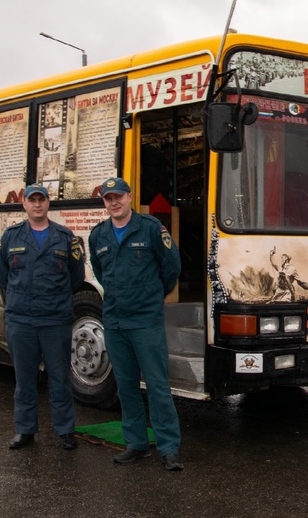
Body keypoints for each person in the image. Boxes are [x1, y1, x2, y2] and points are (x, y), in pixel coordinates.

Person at [88, 176, 183, 471]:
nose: (114, 202)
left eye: (118, 196)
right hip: (115, 320)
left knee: (157, 385)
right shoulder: (98, 235)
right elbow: (101, 273)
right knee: (126, 385)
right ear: (104, 203)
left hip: (145, 320)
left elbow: (172, 266)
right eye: (108, 199)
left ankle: (168, 448)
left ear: (129, 197)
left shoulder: (151, 228)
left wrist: (152, 296)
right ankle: (136, 443)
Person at [0, 183, 85, 451]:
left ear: (48, 203)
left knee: (59, 378)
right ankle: (25, 430)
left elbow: (76, 277)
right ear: (24, 204)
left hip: (55, 320)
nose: (37, 205)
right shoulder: (11, 237)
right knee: (24, 379)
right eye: (32, 200)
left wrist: (55, 300)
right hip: (21, 320)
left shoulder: (65, 237)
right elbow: (2, 275)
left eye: (41, 200)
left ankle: (65, 430)